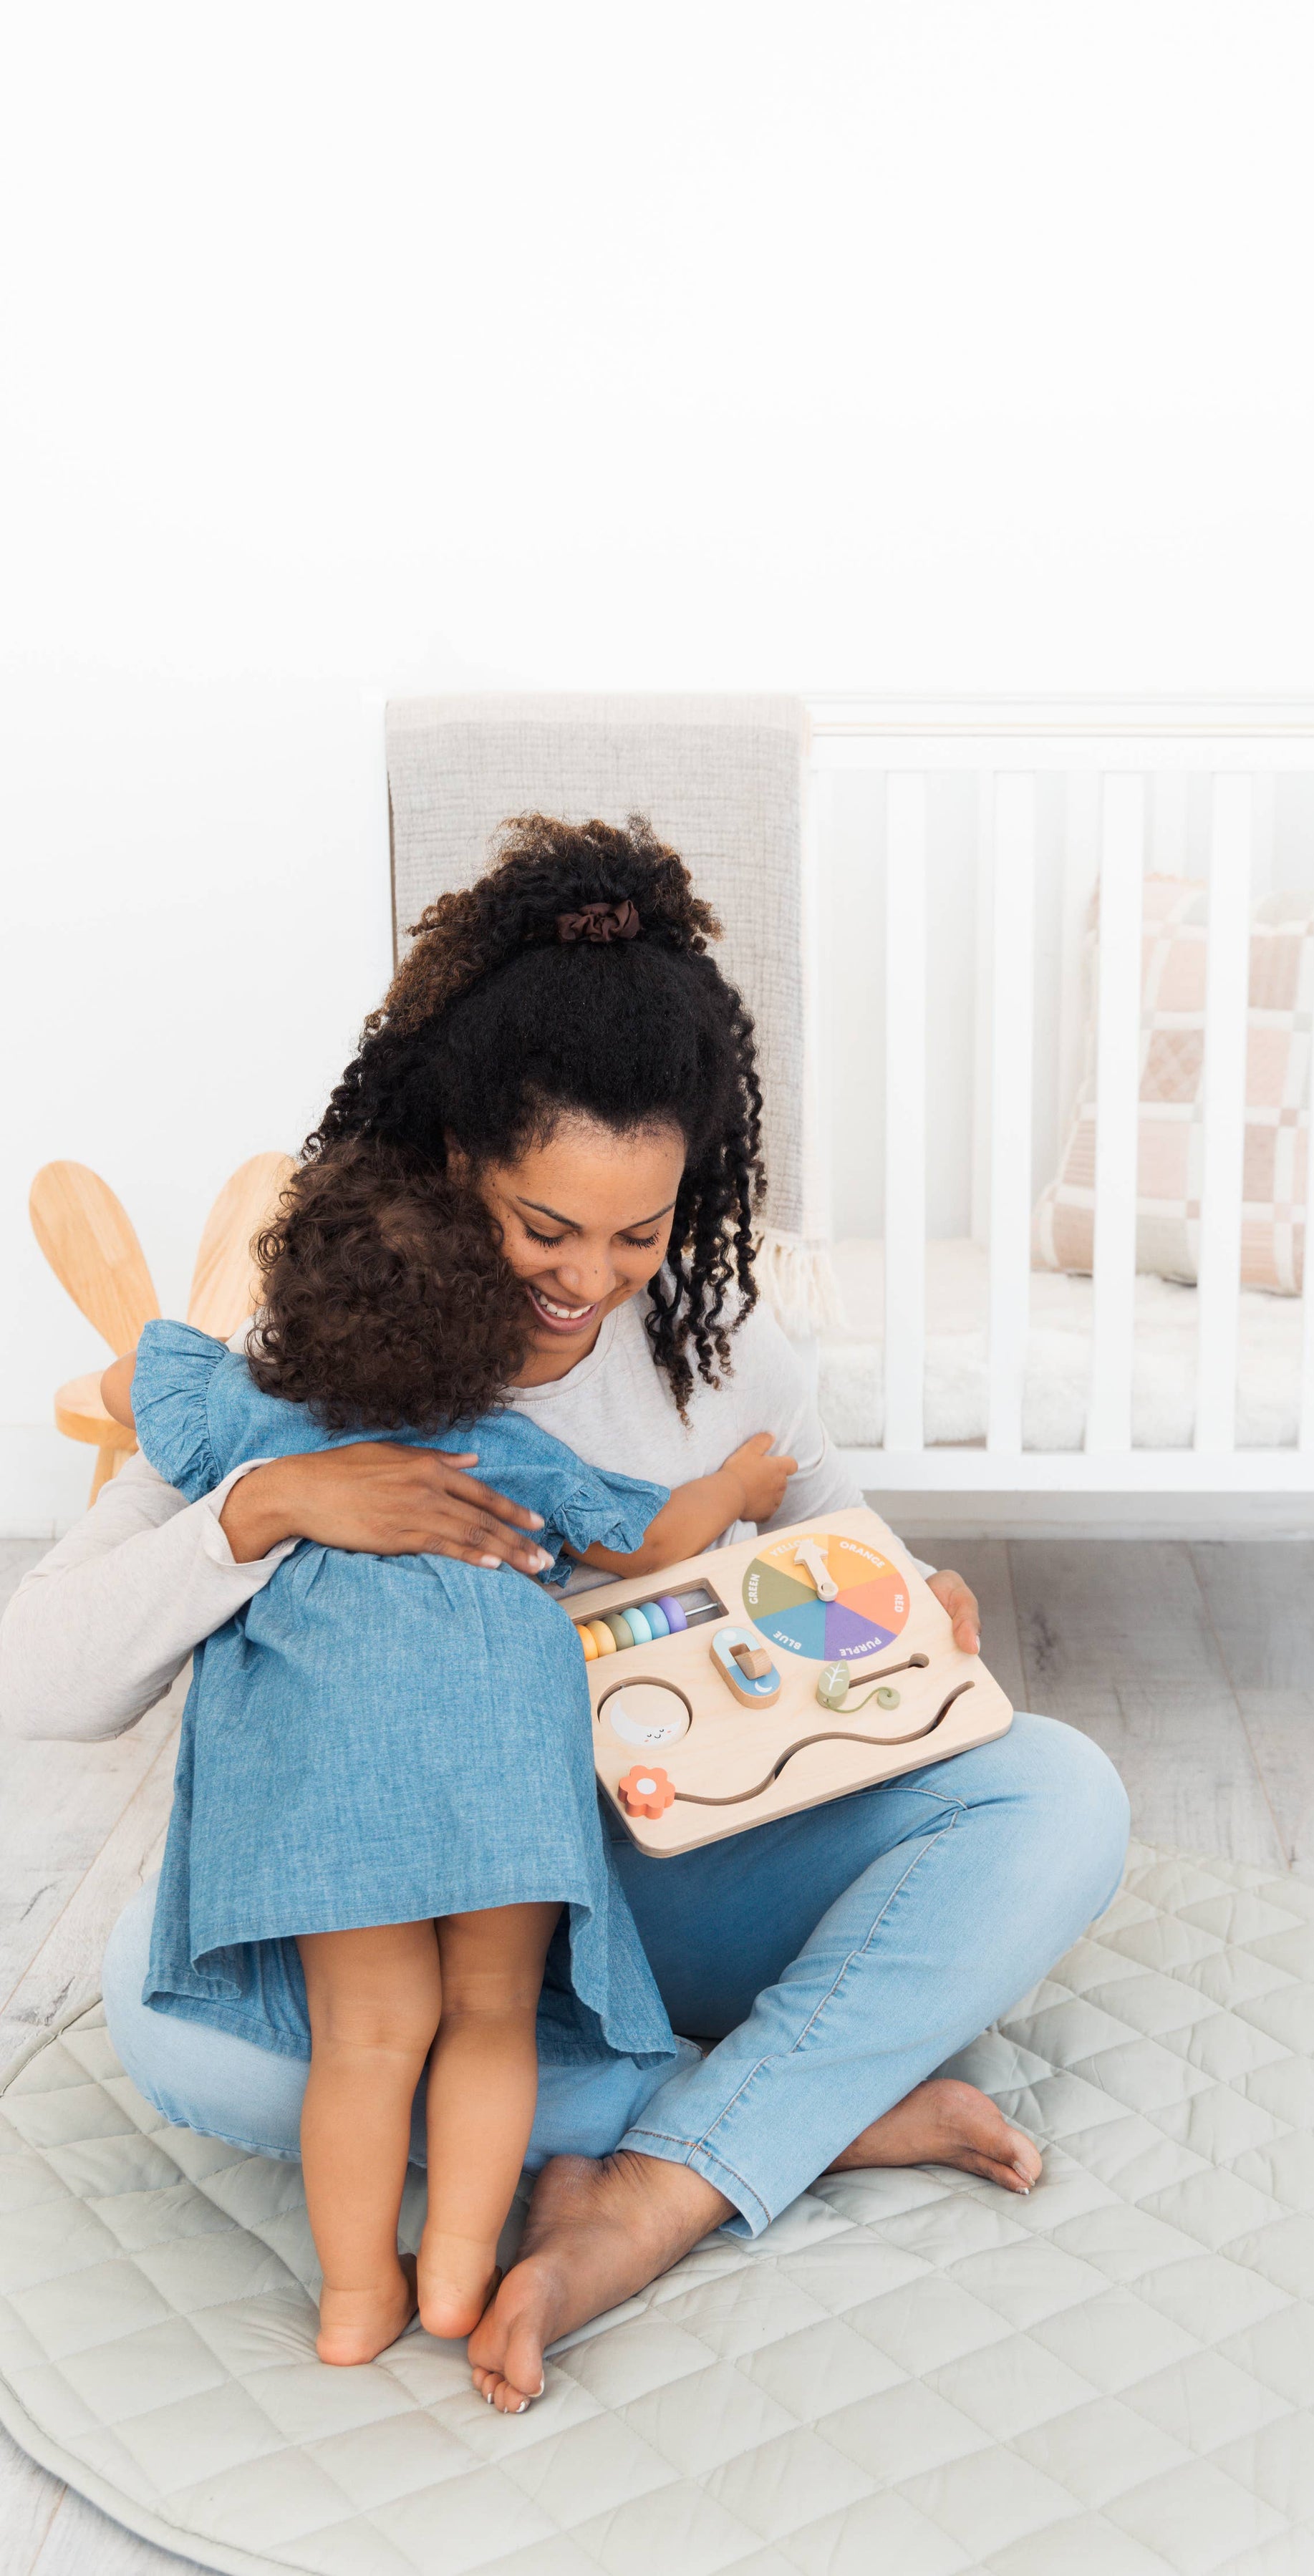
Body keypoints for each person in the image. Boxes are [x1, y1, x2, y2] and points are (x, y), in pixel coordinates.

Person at [1, 813, 1131, 2416]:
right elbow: (32, 1679)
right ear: (460, 1153)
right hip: (397, 1895)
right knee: (169, 2021)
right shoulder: (310, 1340)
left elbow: (821, 1536)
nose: (592, 1282)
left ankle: (656, 2180)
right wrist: (262, 1512)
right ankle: (801, 2103)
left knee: (1061, 1792)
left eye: (641, 1231)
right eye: (547, 1226)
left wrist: (909, 1605)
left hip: (656, 1873)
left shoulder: (721, 1354)